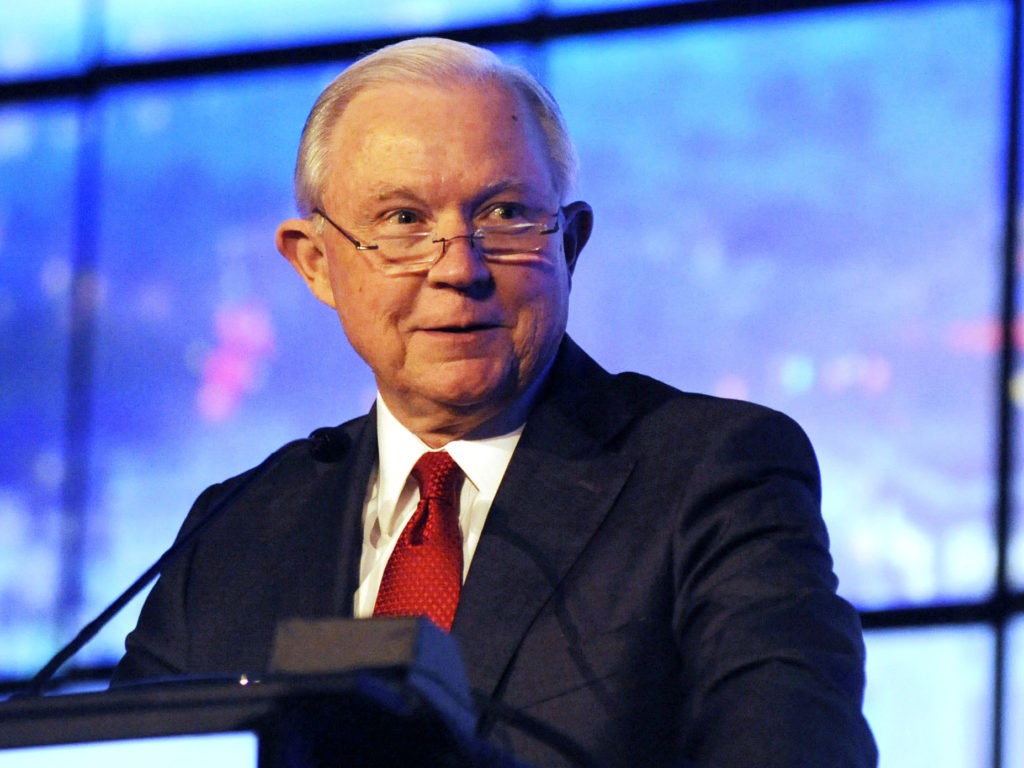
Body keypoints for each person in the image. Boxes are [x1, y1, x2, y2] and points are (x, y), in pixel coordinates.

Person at [113, 37, 877, 768]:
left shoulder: (710, 479)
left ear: (568, 244)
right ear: (316, 263)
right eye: (404, 221)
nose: (460, 268)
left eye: (504, 215)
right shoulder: (232, 535)